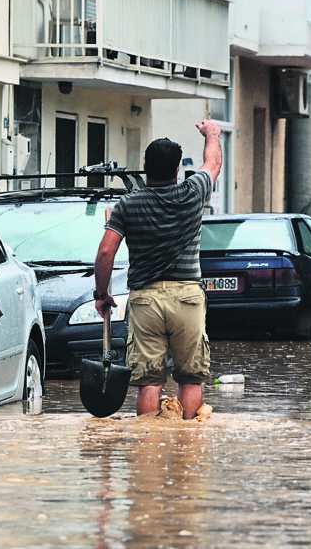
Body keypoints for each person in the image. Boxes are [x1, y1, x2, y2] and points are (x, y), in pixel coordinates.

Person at [92, 122, 222, 419]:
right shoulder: (194, 193)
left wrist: (102, 294)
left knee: (149, 382)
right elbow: (213, 163)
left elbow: (105, 252)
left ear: (145, 166)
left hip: (145, 301)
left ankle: (149, 451)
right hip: (187, 297)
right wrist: (212, 134)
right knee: (190, 378)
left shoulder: (128, 204)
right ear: (178, 170)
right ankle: (187, 451)